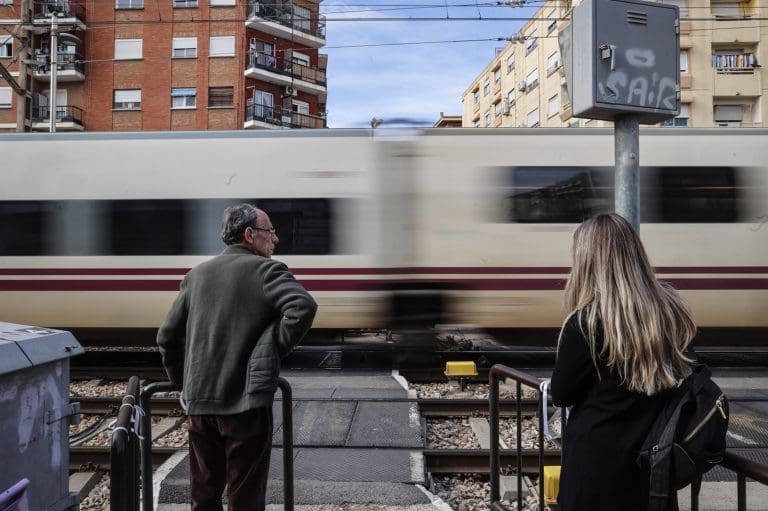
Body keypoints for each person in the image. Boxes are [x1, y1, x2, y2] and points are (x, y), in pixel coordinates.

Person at [157, 203, 317, 511]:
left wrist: (182, 382)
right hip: (245, 405)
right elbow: (303, 307)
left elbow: (166, 337)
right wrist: (272, 348)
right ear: (249, 235)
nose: (276, 240)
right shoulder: (267, 270)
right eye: (270, 231)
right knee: (244, 496)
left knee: (203, 494)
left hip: (200, 405)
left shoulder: (196, 275)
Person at [550, 213, 696, 511]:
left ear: (587, 261)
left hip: (596, 470)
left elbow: (561, 394)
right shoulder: (670, 312)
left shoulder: (586, 323)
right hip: (653, 464)